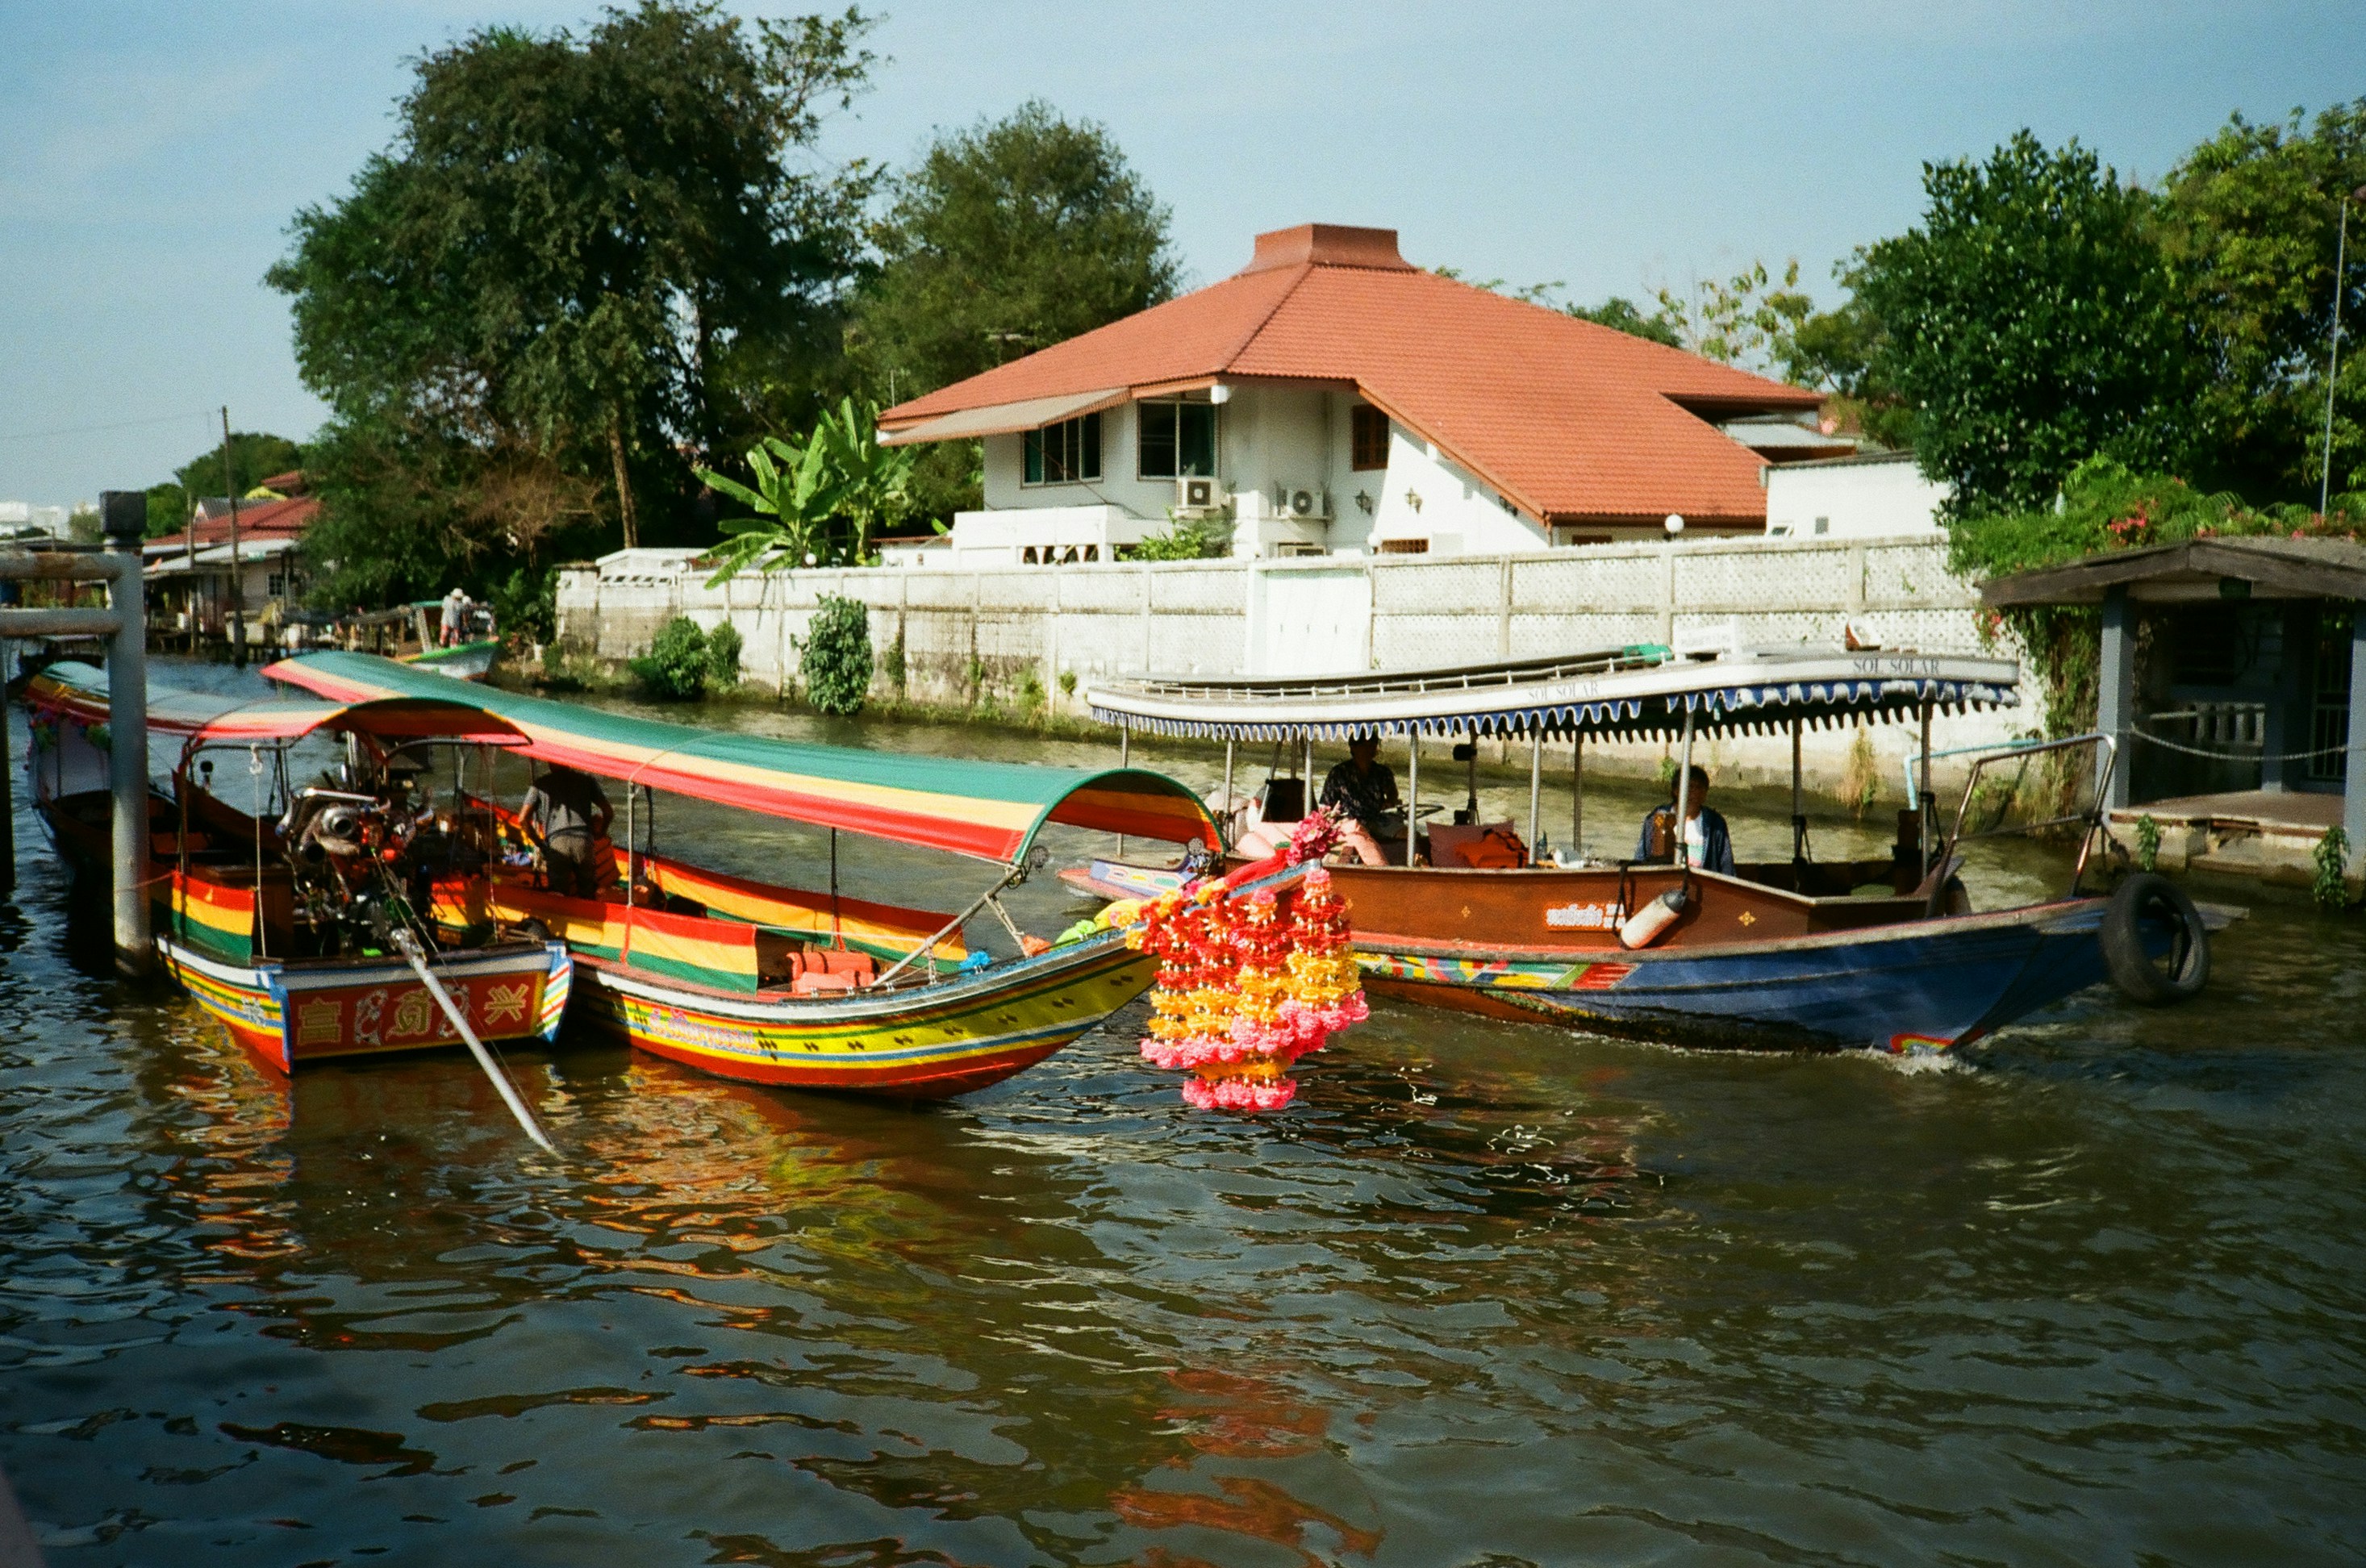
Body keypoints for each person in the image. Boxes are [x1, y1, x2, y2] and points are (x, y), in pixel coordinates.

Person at [521, 765, 614, 898]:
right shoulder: (587, 781)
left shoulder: (540, 784)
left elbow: (523, 819)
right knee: (588, 893)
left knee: (557, 894)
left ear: (549, 762)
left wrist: (540, 844)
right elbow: (608, 812)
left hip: (557, 842)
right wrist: (601, 833)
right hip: (583, 841)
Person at [1634, 764, 1735, 875]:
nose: (1695, 793)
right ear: (1676, 791)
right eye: (1690, 787)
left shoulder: (1715, 823)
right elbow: (1640, 858)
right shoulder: (1657, 819)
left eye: (1699, 788)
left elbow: (1726, 864)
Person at [1318, 736, 1403, 867]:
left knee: (1407, 833)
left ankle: (1407, 867)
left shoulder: (1382, 772)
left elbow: (1392, 794)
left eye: (1373, 745)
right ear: (1353, 747)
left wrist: (1390, 801)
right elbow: (1325, 807)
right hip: (1349, 822)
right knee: (1354, 834)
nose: (1371, 749)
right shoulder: (1338, 773)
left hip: (1378, 819)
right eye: (1366, 745)